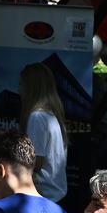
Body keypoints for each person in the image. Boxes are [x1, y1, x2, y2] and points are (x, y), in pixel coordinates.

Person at [17, 63, 68, 203]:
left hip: (44, 195)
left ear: (31, 88)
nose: (19, 90)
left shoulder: (37, 117)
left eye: (21, 85)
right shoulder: (51, 115)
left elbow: (35, 161)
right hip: (55, 195)